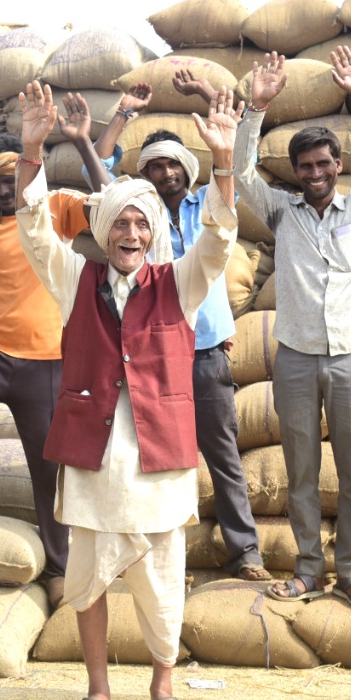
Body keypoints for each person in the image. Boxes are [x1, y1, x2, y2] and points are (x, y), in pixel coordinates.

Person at [15, 82, 240, 700]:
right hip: (91, 456)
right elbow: (32, 231)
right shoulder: (75, 279)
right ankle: (97, 695)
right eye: (120, 222)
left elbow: (220, 239)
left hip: (159, 455)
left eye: (142, 223)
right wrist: (33, 147)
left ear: (157, 232)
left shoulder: (182, 282)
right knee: (86, 579)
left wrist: (224, 162)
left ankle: (163, 690)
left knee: (164, 580)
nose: (132, 232)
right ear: (102, 229)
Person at [67, 87, 271, 582]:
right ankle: (149, 561)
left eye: (172, 165)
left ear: (187, 169)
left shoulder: (207, 202)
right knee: (145, 457)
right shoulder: (139, 221)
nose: (164, 174)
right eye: (154, 167)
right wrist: (108, 123)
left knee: (221, 454)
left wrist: (219, 112)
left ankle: (245, 553)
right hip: (151, 357)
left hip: (203, 354)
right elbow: (103, 175)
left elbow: (234, 179)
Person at [233, 47, 351, 611]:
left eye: (323, 164)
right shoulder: (281, 211)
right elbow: (237, 172)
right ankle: (309, 568)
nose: (314, 174)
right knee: (302, 471)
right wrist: (255, 109)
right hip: (295, 358)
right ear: (295, 172)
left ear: (339, 165)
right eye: (304, 167)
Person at [0, 110, 99, 608]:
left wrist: (88, 144)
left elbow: (114, 210)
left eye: (11, 182)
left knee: (50, 472)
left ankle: (58, 569)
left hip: (49, 361)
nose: (4, 192)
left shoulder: (58, 206)